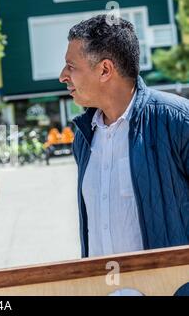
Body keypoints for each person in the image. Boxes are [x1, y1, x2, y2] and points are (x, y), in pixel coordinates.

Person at [59, 15, 189, 258]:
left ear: (105, 70)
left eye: (71, 66)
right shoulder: (84, 136)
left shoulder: (178, 120)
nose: (63, 76)